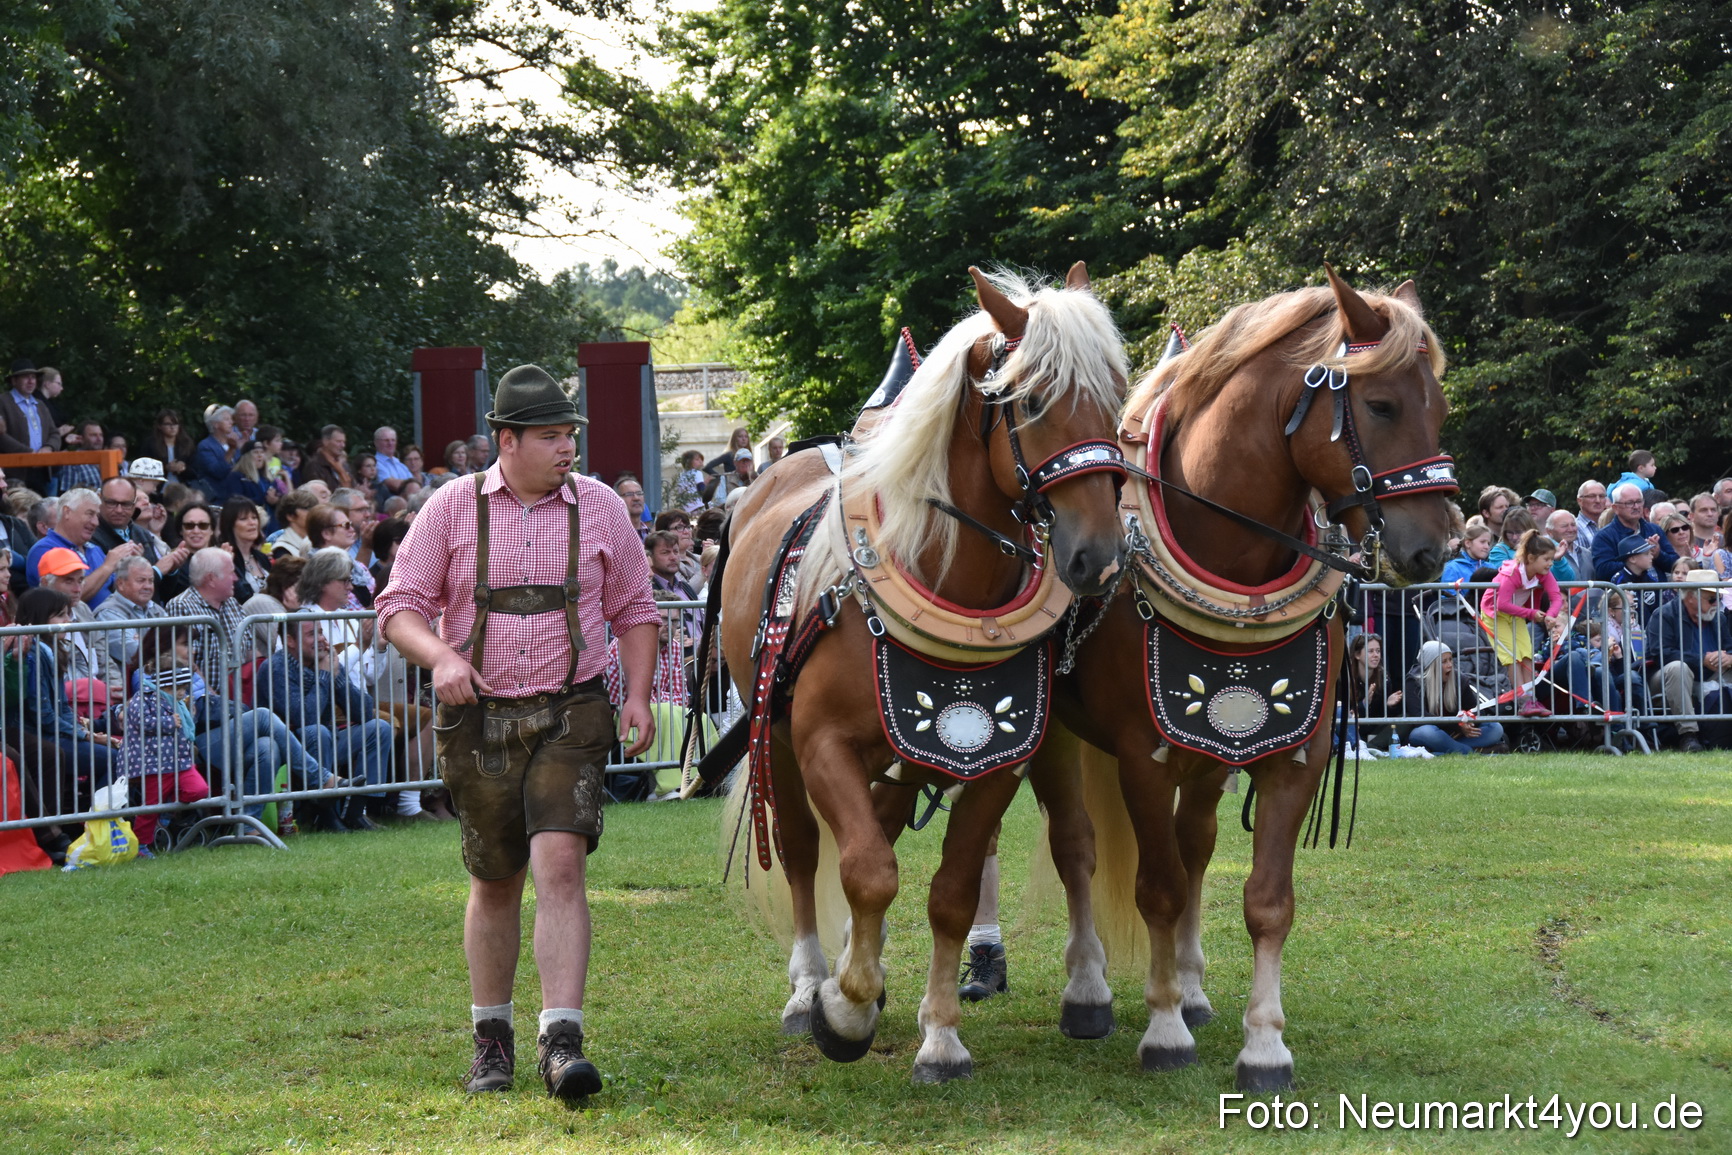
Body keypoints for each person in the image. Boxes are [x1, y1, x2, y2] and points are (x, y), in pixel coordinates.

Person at [375, 363, 660, 1100]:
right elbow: (398, 605)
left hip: (575, 707)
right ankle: (491, 1042)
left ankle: (561, 1042)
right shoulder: (448, 508)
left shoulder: (599, 506)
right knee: (495, 878)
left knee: (560, 862)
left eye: (570, 435)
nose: (567, 448)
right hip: (480, 719)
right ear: (506, 440)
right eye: (550, 436)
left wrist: (635, 695)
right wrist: (439, 656)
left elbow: (635, 608)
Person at [255, 612, 393, 827]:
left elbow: (364, 712)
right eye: (312, 634)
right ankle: (324, 814)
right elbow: (304, 717)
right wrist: (324, 676)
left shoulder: (324, 660)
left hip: (329, 738)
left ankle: (358, 810)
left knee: (379, 728)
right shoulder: (275, 667)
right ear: (290, 641)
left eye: (320, 632)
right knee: (316, 731)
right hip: (290, 749)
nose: (321, 638)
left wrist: (337, 678)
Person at [15, 587, 120, 797]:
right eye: (61, 615)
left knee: (119, 752)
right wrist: (87, 736)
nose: (69, 620)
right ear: (40, 617)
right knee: (115, 758)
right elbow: (44, 717)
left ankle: (92, 813)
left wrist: (87, 733)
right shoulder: (33, 655)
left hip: (54, 732)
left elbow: (62, 708)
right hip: (39, 737)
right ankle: (97, 821)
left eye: (68, 614)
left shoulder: (52, 650)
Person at [119, 628, 210, 853]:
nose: (182, 692)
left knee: (199, 790)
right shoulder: (144, 697)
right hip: (154, 764)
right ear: (164, 683)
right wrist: (170, 722)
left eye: (183, 687)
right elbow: (141, 721)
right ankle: (142, 845)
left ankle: (166, 815)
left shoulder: (178, 703)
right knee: (151, 807)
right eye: (177, 687)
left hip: (179, 761)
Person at [1479, 529, 1565, 718]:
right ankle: (1522, 699)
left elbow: (1556, 597)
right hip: (1496, 615)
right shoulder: (1512, 573)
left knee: (1526, 653)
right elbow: (1501, 604)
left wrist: (1550, 615)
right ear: (1531, 558)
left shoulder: (1543, 573)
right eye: (1547, 559)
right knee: (1511, 656)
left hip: (1516, 614)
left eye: (1552, 559)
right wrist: (1533, 613)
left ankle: (1531, 698)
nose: (1551, 563)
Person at [1643, 570, 1732, 752]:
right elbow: (1660, 654)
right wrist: (1701, 659)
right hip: (1666, 678)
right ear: (1691, 596)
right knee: (1678, 668)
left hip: (1709, 674)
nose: (1717, 604)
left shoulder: (1719, 618)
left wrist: (1729, 657)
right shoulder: (1664, 614)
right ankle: (1688, 735)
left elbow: (1729, 647)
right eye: (1712, 599)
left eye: (1718, 599)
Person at [25, 487, 136, 607]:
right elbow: (66, 599)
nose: (96, 522)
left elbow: (118, 589)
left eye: (97, 516)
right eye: (90, 514)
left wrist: (130, 567)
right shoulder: (44, 550)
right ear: (67, 512)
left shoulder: (94, 549)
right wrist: (108, 566)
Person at [1399, 641, 1507, 755]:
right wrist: (1457, 725)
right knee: (1424, 732)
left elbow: (1475, 710)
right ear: (1432, 665)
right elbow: (1420, 718)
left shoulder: (1459, 679)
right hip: (1433, 733)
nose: (1450, 665)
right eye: (1444, 661)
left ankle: (1445, 751)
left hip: (1457, 735)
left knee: (1495, 728)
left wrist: (1468, 723)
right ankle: (1472, 752)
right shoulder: (1414, 682)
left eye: (1450, 659)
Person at [95, 554, 169, 669]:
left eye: (151, 581)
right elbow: (135, 655)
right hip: (126, 684)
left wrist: (144, 642)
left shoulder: (156, 609)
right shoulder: (107, 613)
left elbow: (177, 645)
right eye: (141, 581)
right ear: (120, 584)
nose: (147, 586)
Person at [1592, 483, 1678, 579]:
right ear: (1615, 508)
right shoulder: (1604, 536)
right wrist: (1635, 560)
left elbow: (1675, 565)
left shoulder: (1654, 529)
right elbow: (1603, 571)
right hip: (1625, 593)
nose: (1636, 506)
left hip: (1659, 592)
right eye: (1629, 503)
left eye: (1639, 501)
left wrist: (1658, 554)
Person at [0, 358, 61, 492]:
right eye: (25, 377)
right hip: (15, 472)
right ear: (14, 380)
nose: (31, 381)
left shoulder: (40, 404)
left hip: (42, 471)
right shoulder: (3, 402)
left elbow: (54, 433)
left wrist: (48, 447)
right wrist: (29, 454)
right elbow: (1, 436)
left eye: (33, 377)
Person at [91, 475, 161, 565]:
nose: (119, 510)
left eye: (126, 504)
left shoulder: (143, 534)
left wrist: (172, 571)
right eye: (112, 503)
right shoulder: (90, 536)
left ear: (134, 504)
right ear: (99, 500)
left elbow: (157, 578)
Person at [154, 505, 215, 603]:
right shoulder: (172, 562)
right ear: (181, 531)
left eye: (203, 525)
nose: (196, 531)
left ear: (212, 530)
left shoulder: (223, 558)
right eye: (189, 526)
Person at [218, 496, 273, 603]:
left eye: (254, 517)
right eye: (243, 519)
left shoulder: (261, 557)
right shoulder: (223, 557)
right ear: (230, 524)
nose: (252, 523)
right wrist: (228, 567)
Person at [191, 405, 243, 493]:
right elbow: (218, 472)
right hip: (217, 498)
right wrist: (231, 450)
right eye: (227, 419)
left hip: (236, 494)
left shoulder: (234, 442)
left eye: (231, 419)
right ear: (215, 424)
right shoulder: (205, 446)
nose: (231, 422)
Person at [139, 409, 195, 483]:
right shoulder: (150, 444)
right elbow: (143, 469)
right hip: (157, 489)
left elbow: (196, 471)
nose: (172, 427)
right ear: (159, 426)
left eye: (175, 424)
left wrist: (183, 468)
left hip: (182, 490)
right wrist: (165, 468)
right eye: (168, 424)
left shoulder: (187, 444)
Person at [55, 418, 106, 494]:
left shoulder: (107, 459)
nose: (99, 439)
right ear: (81, 438)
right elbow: (70, 495)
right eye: (93, 435)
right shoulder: (73, 462)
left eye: (101, 435)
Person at [302, 424, 355, 490]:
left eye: (344, 442)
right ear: (325, 442)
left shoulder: (344, 465)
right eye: (338, 441)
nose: (343, 445)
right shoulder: (314, 465)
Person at [373, 427, 413, 497]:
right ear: (376, 443)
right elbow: (394, 485)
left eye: (393, 440)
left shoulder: (400, 465)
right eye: (386, 440)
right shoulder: (375, 463)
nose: (390, 443)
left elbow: (415, 484)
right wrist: (410, 484)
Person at [667, 449, 707, 513]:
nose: (700, 461)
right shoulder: (697, 473)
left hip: (685, 507)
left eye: (701, 459)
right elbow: (701, 489)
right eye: (697, 459)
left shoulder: (681, 475)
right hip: (697, 506)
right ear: (689, 462)